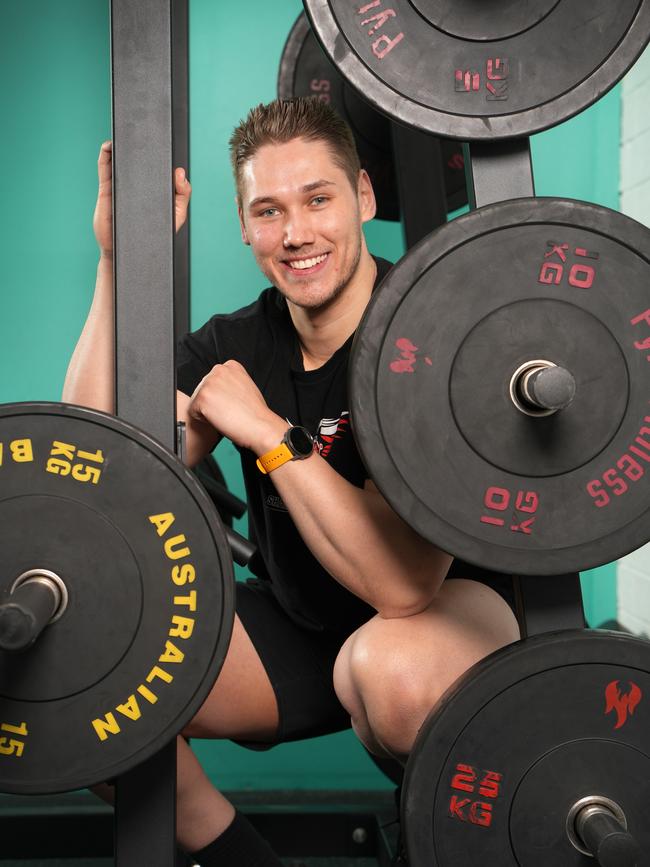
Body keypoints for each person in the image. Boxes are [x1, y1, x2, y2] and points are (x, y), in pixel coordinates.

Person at [63, 97, 520, 867]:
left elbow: (402, 587)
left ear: (364, 197)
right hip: (303, 623)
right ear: (244, 226)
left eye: (318, 199)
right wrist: (118, 261)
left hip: (442, 619)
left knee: (388, 668)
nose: (297, 233)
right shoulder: (239, 342)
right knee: (88, 678)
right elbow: (90, 453)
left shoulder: (431, 330)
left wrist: (268, 434)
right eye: (268, 210)